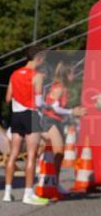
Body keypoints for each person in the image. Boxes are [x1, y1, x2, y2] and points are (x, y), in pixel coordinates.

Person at [4, 46, 50, 205]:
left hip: (16, 115)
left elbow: (8, 98)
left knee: (13, 154)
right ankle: (28, 194)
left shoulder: (14, 74)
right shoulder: (37, 75)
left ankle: (7, 192)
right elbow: (39, 102)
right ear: (38, 58)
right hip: (31, 114)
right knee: (31, 155)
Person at [38, 62, 86, 193]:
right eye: (72, 73)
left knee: (59, 154)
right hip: (50, 120)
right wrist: (72, 112)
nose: (74, 76)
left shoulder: (64, 89)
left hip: (56, 121)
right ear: (66, 75)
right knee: (58, 152)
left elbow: (60, 108)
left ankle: (55, 182)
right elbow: (55, 108)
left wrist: (74, 110)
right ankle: (48, 181)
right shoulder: (59, 88)